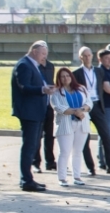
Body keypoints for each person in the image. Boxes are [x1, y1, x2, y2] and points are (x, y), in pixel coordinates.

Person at [11, 41, 53, 192]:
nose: (44, 58)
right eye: (43, 54)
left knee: (33, 145)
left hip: (37, 111)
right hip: (29, 112)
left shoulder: (33, 65)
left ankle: (28, 179)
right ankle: (26, 180)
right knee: (29, 146)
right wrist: (42, 89)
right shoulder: (24, 65)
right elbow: (24, 87)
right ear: (34, 51)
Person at [48, 66, 92, 186]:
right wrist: (75, 112)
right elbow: (58, 107)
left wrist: (82, 109)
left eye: (67, 75)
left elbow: (89, 103)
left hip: (81, 123)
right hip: (65, 124)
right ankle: (62, 178)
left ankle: (77, 177)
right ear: (59, 79)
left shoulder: (81, 89)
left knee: (77, 151)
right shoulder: (56, 92)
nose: (65, 78)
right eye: (62, 76)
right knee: (65, 151)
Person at [71, 46, 102, 176]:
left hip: (97, 105)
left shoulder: (98, 71)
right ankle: (91, 167)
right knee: (85, 138)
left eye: (89, 55)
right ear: (80, 57)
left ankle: (108, 163)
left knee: (106, 134)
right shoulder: (76, 73)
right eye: (85, 55)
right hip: (83, 108)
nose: (88, 58)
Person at [35, 51, 57, 174]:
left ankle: (50, 162)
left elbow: (50, 81)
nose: (44, 55)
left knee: (50, 135)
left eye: (45, 53)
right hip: (38, 105)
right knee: (37, 136)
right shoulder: (33, 67)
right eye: (41, 52)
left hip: (49, 104)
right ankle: (36, 163)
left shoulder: (50, 66)